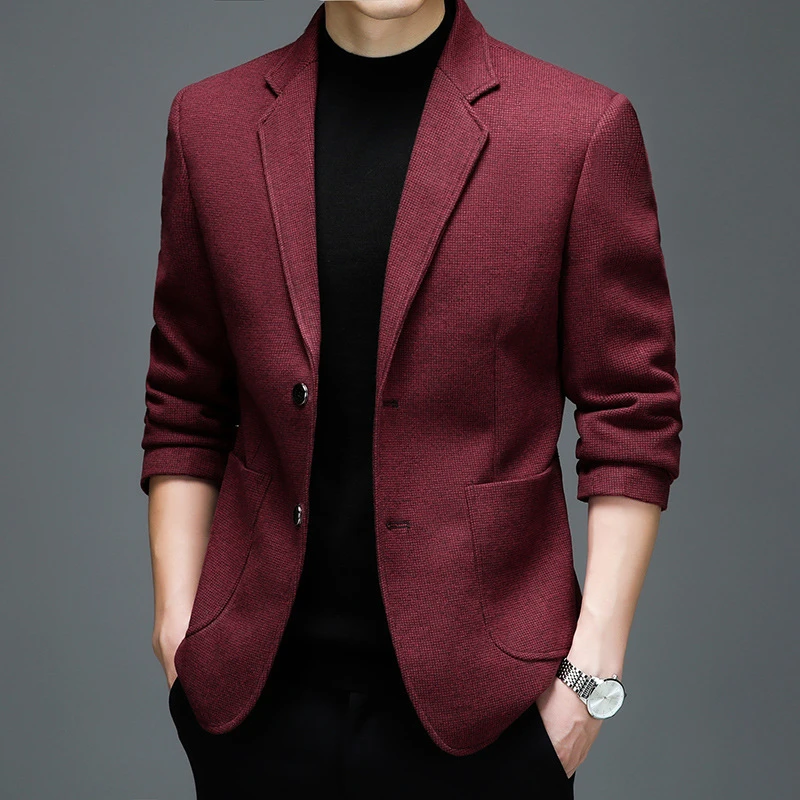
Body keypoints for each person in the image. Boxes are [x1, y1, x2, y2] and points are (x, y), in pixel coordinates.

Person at [140, 0, 682, 797]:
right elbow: (184, 396)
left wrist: (591, 673)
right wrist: (177, 628)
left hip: (491, 718)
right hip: (254, 708)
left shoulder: (578, 128)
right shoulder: (208, 123)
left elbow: (633, 408)